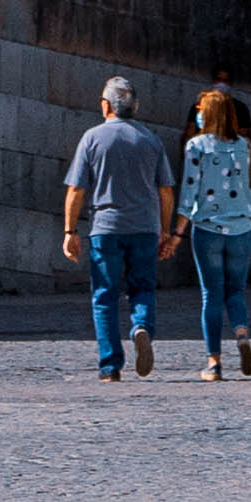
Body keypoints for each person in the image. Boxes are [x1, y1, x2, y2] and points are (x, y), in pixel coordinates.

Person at [60, 76, 173, 381]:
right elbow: (165, 191)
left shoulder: (92, 138)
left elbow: (76, 190)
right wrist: (165, 230)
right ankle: (141, 328)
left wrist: (70, 231)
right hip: (144, 228)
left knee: (104, 296)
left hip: (105, 228)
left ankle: (110, 366)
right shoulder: (151, 140)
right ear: (135, 106)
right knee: (142, 288)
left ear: (106, 105)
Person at [176, 84, 251, 381]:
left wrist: (177, 232)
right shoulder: (247, 147)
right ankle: (241, 335)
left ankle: (214, 362)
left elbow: (189, 192)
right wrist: (247, 209)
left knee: (211, 295)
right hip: (241, 229)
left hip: (207, 229)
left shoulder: (197, 146)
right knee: (236, 291)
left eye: (201, 111)